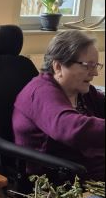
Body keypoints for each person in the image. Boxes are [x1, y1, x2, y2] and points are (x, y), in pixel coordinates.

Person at [12, 31, 105, 179]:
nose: (95, 73)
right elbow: (71, 128)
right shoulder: (40, 92)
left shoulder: (79, 91)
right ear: (58, 67)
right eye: (88, 66)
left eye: (96, 66)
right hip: (62, 181)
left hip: (91, 170)